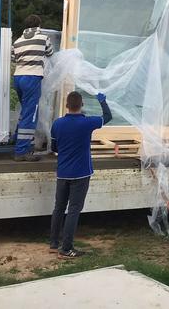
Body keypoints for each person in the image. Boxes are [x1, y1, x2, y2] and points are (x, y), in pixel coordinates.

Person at [49, 91, 112, 258]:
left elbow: (54, 148)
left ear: (67, 105)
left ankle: (54, 243)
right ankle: (66, 248)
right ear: (82, 105)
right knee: (74, 210)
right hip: (81, 173)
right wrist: (102, 101)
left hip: (62, 173)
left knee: (59, 208)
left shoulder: (57, 124)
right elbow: (108, 116)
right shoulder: (87, 123)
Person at [11, 14, 53, 161]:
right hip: (32, 77)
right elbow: (50, 53)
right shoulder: (43, 38)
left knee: (25, 111)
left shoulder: (17, 41)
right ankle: (21, 151)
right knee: (31, 114)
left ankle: (16, 139)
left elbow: (13, 58)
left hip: (18, 77)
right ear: (39, 25)